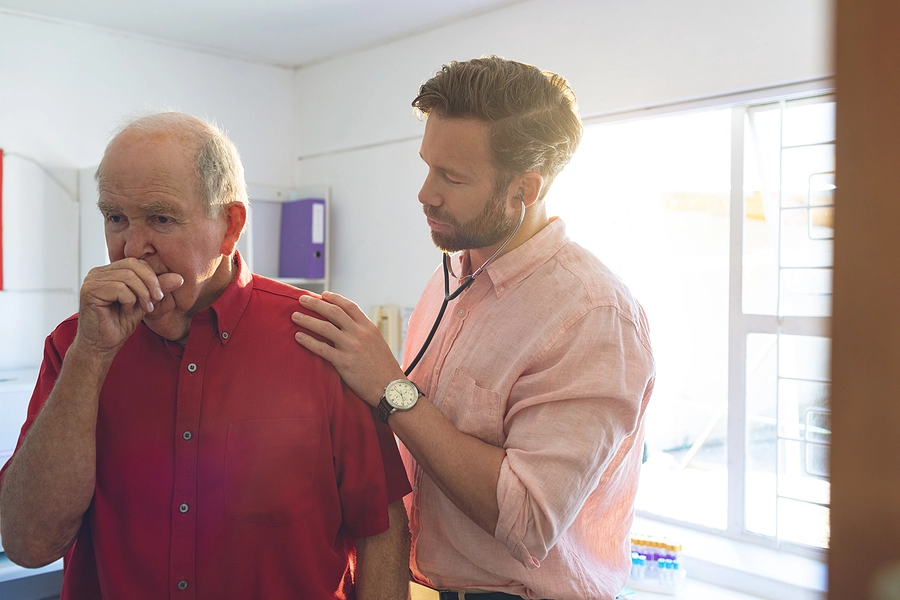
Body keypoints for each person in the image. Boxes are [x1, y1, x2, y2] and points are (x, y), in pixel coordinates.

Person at [0, 112, 412, 600]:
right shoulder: (74, 346)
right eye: (115, 218)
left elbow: (380, 529)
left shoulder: (322, 339)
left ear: (229, 226)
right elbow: (27, 544)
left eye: (161, 218)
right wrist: (90, 357)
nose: (132, 247)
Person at [291, 56, 656, 600]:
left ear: (525, 189)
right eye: (428, 166)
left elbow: (528, 521)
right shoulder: (451, 275)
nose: (425, 193)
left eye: (452, 177)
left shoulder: (593, 316)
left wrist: (391, 389)